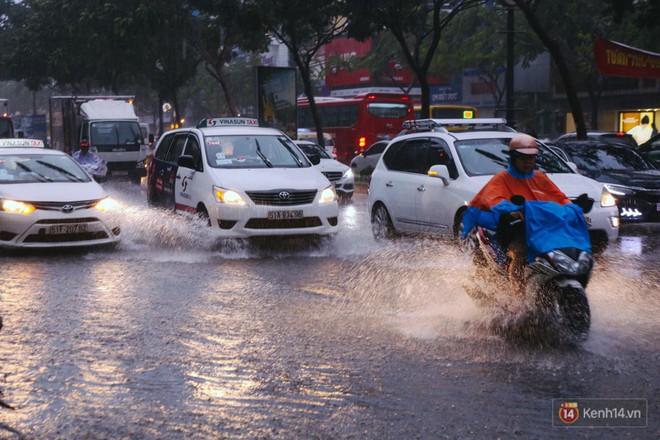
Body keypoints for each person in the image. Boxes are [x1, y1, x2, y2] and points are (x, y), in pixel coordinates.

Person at [461, 134, 574, 294]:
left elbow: (558, 197)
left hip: (536, 226)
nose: (527, 161)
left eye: (531, 157)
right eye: (522, 158)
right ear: (513, 158)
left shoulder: (540, 177)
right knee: (520, 255)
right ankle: (519, 298)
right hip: (510, 227)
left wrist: (572, 210)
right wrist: (510, 210)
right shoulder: (503, 178)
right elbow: (492, 198)